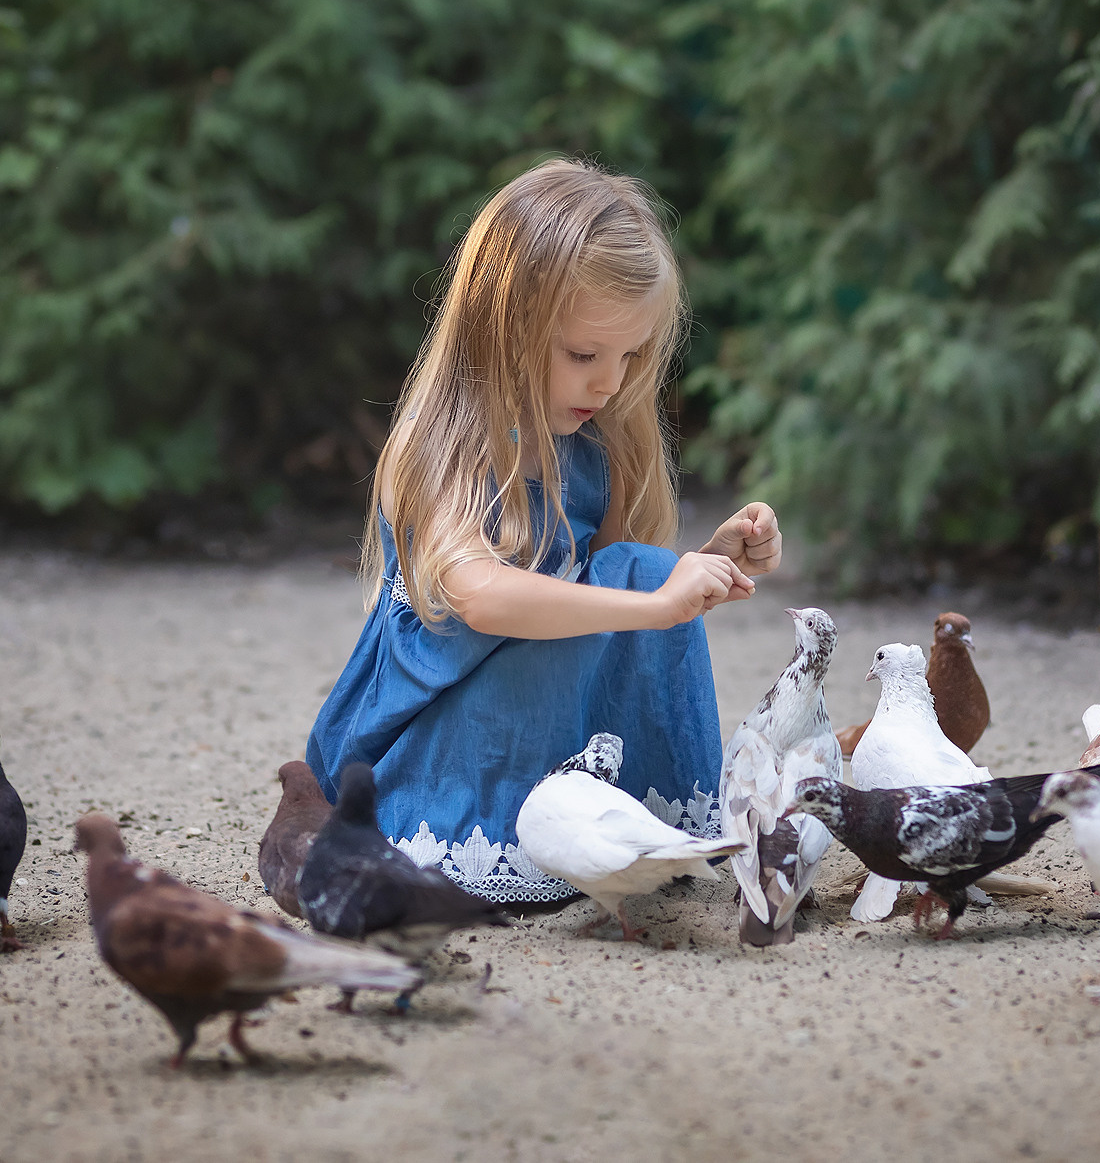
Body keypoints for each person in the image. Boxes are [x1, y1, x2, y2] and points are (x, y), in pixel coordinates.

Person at [306, 158, 782, 902]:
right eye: (584, 354)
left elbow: (607, 583)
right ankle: (487, 830)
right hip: (451, 719)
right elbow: (483, 599)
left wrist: (697, 573)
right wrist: (657, 601)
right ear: (504, 327)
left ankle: (624, 820)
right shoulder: (448, 444)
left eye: (632, 355)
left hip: (551, 707)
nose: (611, 382)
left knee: (641, 567)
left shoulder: (596, 437)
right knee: (629, 590)